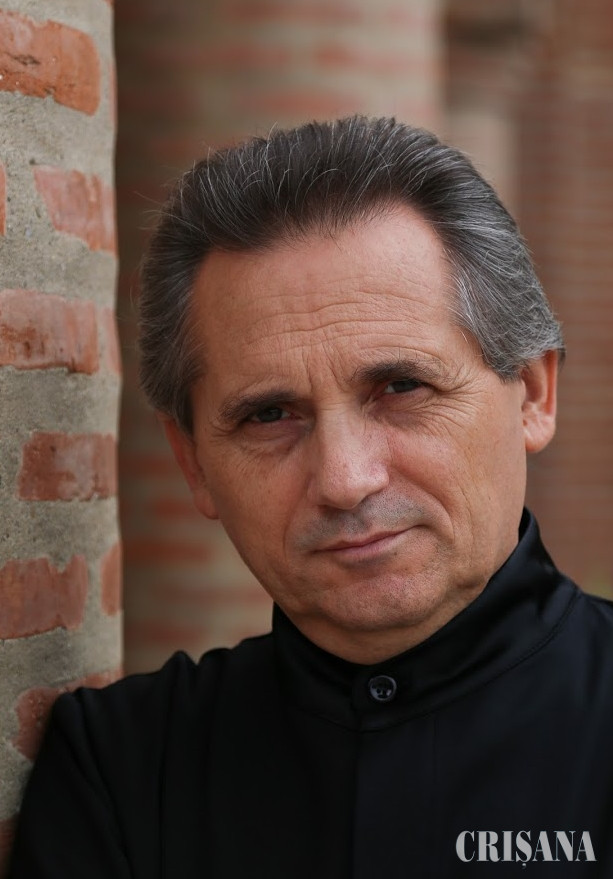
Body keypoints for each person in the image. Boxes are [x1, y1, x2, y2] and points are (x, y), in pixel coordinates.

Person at [9, 116, 613, 877]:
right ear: (193, 462)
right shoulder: (122, 770)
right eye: (270, 415)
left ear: (531, 392)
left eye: (401, 386)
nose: (344, 479)